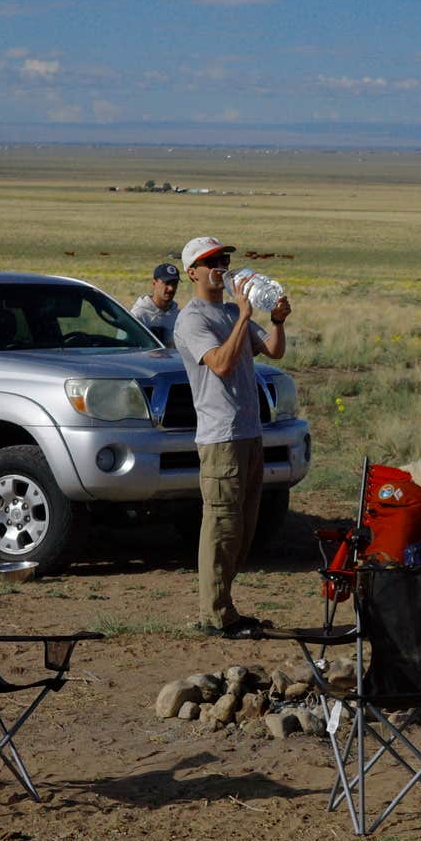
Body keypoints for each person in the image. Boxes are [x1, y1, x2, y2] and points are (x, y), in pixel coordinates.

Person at [171, 234, 290, 637]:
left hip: (249, 431)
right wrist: (242, 316)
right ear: (193, 273)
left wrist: (275, 320)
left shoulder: (228, 313)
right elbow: (219, 364)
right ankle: (213, 614)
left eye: (223, 258)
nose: (220, 266)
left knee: (243, 526)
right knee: (221, 525)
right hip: (220, 436)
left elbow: (272, 352)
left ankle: (226, 608)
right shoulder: (193, 320)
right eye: (211, 262)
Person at [129, 261, 182, 343]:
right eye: (166, 283)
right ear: (154, 283)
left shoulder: (178, 316)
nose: (171, 288)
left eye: (174, 283)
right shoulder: (138, 315)